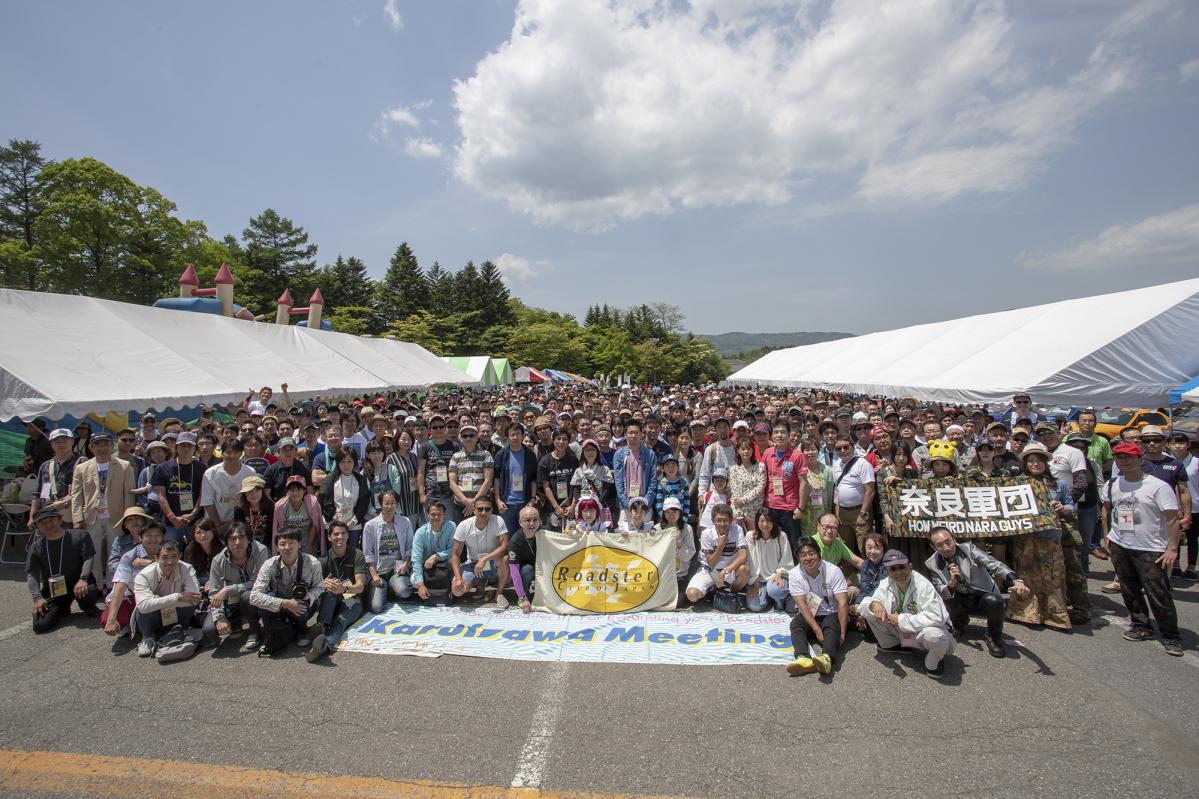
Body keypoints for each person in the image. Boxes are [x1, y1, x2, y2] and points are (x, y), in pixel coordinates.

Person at [1101, 441, 1184, 656]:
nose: (1124, 461)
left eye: (1129, 457)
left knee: (1158, 593)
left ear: (1140, 459)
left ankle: (1171, 635)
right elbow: (1107, 511)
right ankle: (1141, 625)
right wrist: (1107, 535)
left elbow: (1173, 519)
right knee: (1129, 589)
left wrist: (1172, 549)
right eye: (1120, 458)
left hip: (1151, 548)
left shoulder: (1158, 486)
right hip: (1121, 544)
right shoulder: (1113, 484)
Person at [926, 526, 1031, 657]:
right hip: (960, 598)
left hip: (981, 595)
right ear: (933, 547)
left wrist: (1015, 580)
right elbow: (941, 592)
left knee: (994, 601)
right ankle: (959, 623)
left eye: (948, 542)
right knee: (947, 597)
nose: (946, 547)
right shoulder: (931, 563)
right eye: (940, 545)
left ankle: (993, 636)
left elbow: (994, 565)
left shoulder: (969, 549)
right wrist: (951, 584)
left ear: (954, 539)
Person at [1006, 442, 1073, 630]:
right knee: (1026, 573)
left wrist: (1064, 508)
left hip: (1050, 536)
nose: (1035, 464)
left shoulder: (1057, 483)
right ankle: (1025, 613)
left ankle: (1054, 615)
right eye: (1031, 461)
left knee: (1053, 575)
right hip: (1025, 536)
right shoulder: (1017, 483)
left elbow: (1070, 504)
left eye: (1039, 461)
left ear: (1046, 463)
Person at [859, 549, 956, 679]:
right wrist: (874, 604)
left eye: (902, 567)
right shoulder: (886, 583)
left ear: (910, 566)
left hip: (932, 635)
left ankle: (934, 662)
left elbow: (937, 617)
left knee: (934, 636)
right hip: (907, 632)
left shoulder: (923, 585)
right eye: (893, 569)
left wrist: (900, 619)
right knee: (872, 612)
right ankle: (894, 645)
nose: (898, 572)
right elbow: (863, 605)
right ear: (887, 572)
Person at [70, 430, 135, 588]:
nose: (102, 448)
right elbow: (77, 495)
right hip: (91, 515)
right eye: (98, 444)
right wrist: (77, 518)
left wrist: (128, 518)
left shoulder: (124, 465)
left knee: (116, 551)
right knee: (93, 552)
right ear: (91, 447)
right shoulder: (82, 468)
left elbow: (129, 494)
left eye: (106, 444)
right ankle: (96, 585)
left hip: (117, 515)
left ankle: (114, 585)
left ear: (112, 446)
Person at [249, 528, 325, 655]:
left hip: (300, 603)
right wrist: (285, 603)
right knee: (264, 602)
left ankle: (302, 630)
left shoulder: (312, 563)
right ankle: (272, 632)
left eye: (292, 542)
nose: (287, 547)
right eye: (282, 544)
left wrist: (309, 595)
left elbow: (320, 587)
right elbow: (254, 596)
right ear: (277, 547)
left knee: (302, 608)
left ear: (299, 544)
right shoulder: (269, 564)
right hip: (278, 604)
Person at [26, 507, 101, 633]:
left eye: (51, 520)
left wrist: (83, 579)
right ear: (37, 527)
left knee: (89, 591)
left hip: (78, 583)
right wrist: (37, 598)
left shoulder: (80, 535)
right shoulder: (36, 547)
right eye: (42, 523)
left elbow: (88, 558)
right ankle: (61, 608)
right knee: (40, 626)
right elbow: (31, 574)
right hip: (53, 588)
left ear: (60, 520)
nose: (48, 524)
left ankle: (88, 606)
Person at [785, 536, 849, 677]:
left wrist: (843, 633)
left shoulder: (833, 571)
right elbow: (801, 605)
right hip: (811, 612)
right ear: (798, 557)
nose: (808, 558)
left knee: (831, 627)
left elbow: (842, 602)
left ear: (818, 554)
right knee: (796, 624)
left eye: (811, 553)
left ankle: (826, 658)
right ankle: (802, 658)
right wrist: (816, 630)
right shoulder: (794, 574)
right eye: (803, 555)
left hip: (831, 612)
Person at [203, 523, 269, 652]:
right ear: (226, 542)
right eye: (232, 539)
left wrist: (230, 589)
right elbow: (214, 593)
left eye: (241, 537)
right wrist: (220, 618)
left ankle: (254, 631)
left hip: (252, 597)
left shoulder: (261, 551)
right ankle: (235, 621)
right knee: (209, 630)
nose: (237, 542)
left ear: (249, 539)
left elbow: (259, 582)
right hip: (230, 602)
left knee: (247, 596)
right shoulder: (218, 560)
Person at [307, 521, 367, 662]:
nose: (339, 537)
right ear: (329, 537)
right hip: (330, 600)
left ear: (348, 536)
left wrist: (344, 588)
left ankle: (323, 645)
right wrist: (323, 583)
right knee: (330, 587)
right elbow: (312, 586)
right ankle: (322, 626)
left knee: (340, 621)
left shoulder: (357, 554)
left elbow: (360, 586)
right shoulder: (323, 560)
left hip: (351, 597)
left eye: (343, 533)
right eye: (335, 534)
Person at [132, 539, 201, 657]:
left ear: (180, 556)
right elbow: (143, 606)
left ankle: (182, 630)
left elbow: (195, 598)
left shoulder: (187, 568)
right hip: (152, 617)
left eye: (174, 556)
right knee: (143, 609)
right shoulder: (143, 575)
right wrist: (177, 596)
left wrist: (157, 601)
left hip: (175, 613)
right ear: (156, 558)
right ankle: (148, 638)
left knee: (190, 604)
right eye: (164, 557)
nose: (170, 562)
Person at [103, 520, 164, 638]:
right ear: (140, 537)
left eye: (157, 535)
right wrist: (112, 619)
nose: (153, 539)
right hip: (132, 596)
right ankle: (131, 623)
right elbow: (120, 587)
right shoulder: (129, 557)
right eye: (149, 536)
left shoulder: (167, 550)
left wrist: (150, 562)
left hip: (159, 594)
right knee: (107, 621)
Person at [450, 494, 510, 607]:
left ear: (492, 510)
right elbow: (455, 554)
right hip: (473, 563)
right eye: (480, 509)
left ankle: (499, 594)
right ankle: (480, 581)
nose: (483, 512)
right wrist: (458, 578)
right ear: (474, 510)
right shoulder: (464, 525)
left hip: (493, 563)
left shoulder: (498, 520)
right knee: (457, 590)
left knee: (505, 559)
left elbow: (504, 546)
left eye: (487, 509)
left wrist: (484, 559)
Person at [362, 490, 415, 612]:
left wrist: (406, 564)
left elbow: (409, 546)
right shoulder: (370, 525)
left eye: (393, 503)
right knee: (376, 608)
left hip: (396, 570)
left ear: (397, 504)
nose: (390, 506)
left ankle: (393, 587)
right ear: (380, 504)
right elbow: (368, 553)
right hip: (379, 572)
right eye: (386, 503)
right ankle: (384, 590)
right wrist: (374, 575)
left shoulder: (404, 522)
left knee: (404, 591)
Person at [685, 504, 749, 603]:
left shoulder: (737, 529)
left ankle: (730, 595)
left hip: (728, 571)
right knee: (692, 595)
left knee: (744, 569)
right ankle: (712, 590)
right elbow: (711, 563)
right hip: (709, 571)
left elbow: (743, 556)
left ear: (731, 520)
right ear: (713, 521)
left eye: (725, 520)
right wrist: (720, 546)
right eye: (718, 520)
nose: (722, 523)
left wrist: (725, 571)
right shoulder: (707, 533)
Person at [153, 432, 205, 545]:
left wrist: (193, 514)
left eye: (189, 445)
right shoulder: (162, 468)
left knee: (194, 552)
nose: (186, 449)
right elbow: (161, 496)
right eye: (182, 445)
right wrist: (172, 518)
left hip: (194, 522)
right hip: (170, 522)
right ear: (176, 447)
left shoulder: (201, 468)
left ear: (195, 448)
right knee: (170, 551)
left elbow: (203, 494)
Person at [200, 437, 257, 537]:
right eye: (228, 452)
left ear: (241, 453)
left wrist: (232, 522)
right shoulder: (210, 473)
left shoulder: (250, 472)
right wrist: (218, 525)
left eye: (236, 452)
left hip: (240, 522)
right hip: (214, 523)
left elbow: (251, 500)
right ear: (222, 453)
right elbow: (208, 502)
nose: (232, 456)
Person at [29, 428, 83, 528]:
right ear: (51, 444)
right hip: (47, 515)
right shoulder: (46, 465)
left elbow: (87, 491)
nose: (61, 443)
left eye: (65, 440)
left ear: (72, 441)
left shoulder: (82, 462)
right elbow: (39, 494)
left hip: (71, 516)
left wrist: (64, 503)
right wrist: (32, 516)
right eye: (57, 441)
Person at [317, 448, 370, 551]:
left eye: (349, 461)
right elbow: (324, 499)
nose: (346, 465)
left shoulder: (361, 479)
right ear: (338, 463)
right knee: (334, 553)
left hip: (353, 525)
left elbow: (363, 503)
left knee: (351, 553)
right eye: (342, 462)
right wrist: (335, 518)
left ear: (354, 462)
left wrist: (353, 521)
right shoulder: (330, 478)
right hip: (334, 524)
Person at [830, 435, 875, 555]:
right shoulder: (837, 464)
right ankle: (848, 569)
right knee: (845, 544)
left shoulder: (863, 464)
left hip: (859, 510)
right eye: (838, 449)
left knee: (864, 544)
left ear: (853, 447)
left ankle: (868, 570)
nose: (843, 451)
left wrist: (863, 513)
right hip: (842, 511)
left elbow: (870, 490)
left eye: (846, 447)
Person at [745, 508, 795, 613]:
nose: (765, 524)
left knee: (776, 591)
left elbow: (787, 558)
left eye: (769, 520)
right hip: (759, 578)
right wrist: (755, 582)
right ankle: (768, 597)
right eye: (762, 520)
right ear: (757, 522)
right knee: (755, 606)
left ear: (774, 522)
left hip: (776, 576)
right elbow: (751, 560)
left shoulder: (781, 536)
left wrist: (779, 573)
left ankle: (779, 599)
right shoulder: (751, 536)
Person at [614, 419, 658, 525]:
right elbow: (618, 481)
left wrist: (646, 502)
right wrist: (626, 503)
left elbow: (653, 480)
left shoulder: (650, 454)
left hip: (644, 504)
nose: (633, 435)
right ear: (625, 434)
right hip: (626, 505)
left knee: (644, 537)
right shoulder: (619, 455)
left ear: (641, 434)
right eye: (630, 432)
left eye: (636, 432)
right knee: (625, 537)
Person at [411, 499, 456, 602]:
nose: (436, 517)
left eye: (439, 514)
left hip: (446, 565)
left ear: (444, 514)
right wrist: (421, 585)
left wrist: (437, 556)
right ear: (427, 515)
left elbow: (453, 550)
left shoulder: (451, 526)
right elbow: (416, 559)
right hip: (427, 567)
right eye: (433, 514)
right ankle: (427, 590)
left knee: (456, 581)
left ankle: (445, 593)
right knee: (414, 580)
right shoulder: (420, 532)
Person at [418, 414, 459, 524]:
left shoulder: (454, 446)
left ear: (445, 428)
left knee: (449, 527)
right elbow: (421, 472)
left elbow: (458, 471)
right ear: (430, 430)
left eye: (441, 427)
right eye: (434, 427)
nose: (438, 429)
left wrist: (455, 493)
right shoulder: (425, 447)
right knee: (431, 527)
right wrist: (422, 494)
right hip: (431, 496)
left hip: (448, 496)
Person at [1169, 430, 1199, 579]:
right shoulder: (1167, 462)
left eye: (1181, 443)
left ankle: (1191, 567)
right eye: (1174, 443)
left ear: (1188, 445)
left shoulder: (1196, 462)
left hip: (1195, 506)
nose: (1177, 446)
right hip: (1172, 506)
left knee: (1192, 537)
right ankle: (1175, 565)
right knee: (1175, 537)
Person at [448, 423, 494, 522]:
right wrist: (465, 501)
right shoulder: (455, 457)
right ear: (461, 438)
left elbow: (488, 481)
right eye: (465, 436)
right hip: (460, 505)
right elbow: (452, 482)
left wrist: (474, 503)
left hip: (481, 506)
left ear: (477, 437)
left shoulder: (486, 455)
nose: (468, 438)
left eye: (471, 435)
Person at [538, 427, 579, 530]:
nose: (561, 442)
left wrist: (573, 506)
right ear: (553, 440)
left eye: (565, 439)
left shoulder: (573, 460)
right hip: (551, 507)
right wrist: (556, 507)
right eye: (558, 438)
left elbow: (577, 485)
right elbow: (546, 487)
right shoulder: (545, 461)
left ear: (568, 441)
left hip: (570, 507)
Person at [655, 497, 696, 603]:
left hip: (680, 575)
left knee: (677, 603)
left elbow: (688, 556)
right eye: (668, 512)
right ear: (663, 513)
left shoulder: (687, 529)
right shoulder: (657, 529)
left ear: (680, 512)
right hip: (662, 575)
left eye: (675, 511)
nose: (671, 515)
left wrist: (679, 544)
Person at [272, 474, 325, 554]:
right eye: (292, 490)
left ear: (304, 490)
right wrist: (290, 545)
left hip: (309, 535)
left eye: (299, 490)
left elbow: (315, 525)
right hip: (291, 536)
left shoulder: (312, 503)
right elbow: (284, 528)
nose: (295, 493)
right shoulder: (280, 506)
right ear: (287, 492)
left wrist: (309, 545)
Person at [509, 504, 542, 613]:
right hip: (525, 571)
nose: (532, 524)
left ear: (539, 521)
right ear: (520, 523)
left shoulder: (545, 534)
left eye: (535, 520)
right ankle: (525, 597)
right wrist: (522, 597)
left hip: (541, 568)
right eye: (527, 520)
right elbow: (514, 572)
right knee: (527, 569)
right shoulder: (515, 541)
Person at [728, 439, 766, 532]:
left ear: (752, 450)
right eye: (743, 449)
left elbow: (760, 487)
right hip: (739, 511)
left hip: (755, 511)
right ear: (738, 450)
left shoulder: (760, 466)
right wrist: (738, 512)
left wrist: (744, 500)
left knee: (754, 539)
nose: (746, 451)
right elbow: (734, 490)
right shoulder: (733, 469)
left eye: (748, 449)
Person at [261, 437, 311, 502]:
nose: (288, 452)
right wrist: (277, 508)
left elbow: (310, 491)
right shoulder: (271, 470)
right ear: (279, 452)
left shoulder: (305, 467)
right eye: (284, 449)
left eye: (291, 448)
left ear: (295, 451)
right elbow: (267, 494)